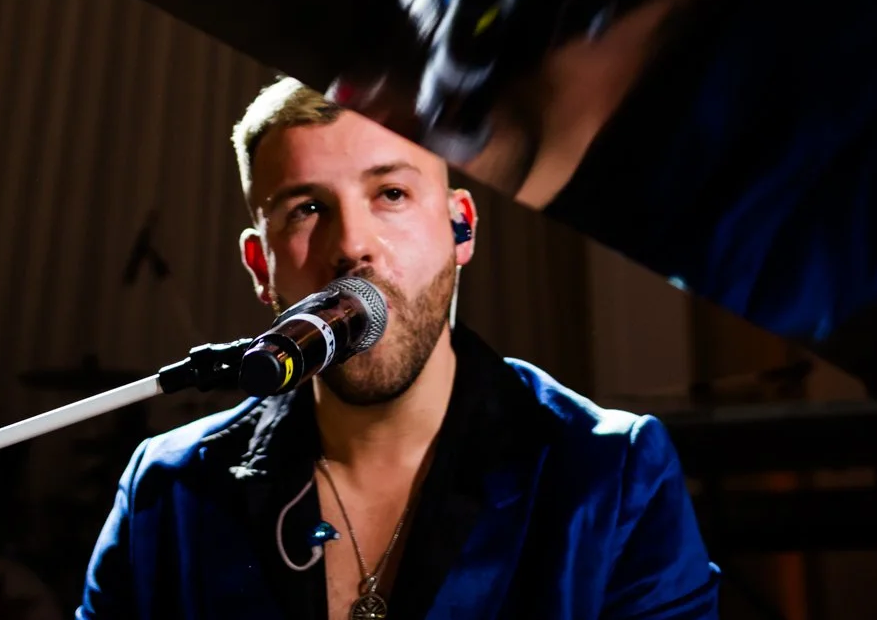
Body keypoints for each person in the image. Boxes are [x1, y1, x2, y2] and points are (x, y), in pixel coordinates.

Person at [76, 76, 720, 620]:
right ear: (261, 266)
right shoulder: (167, 492)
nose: (352, 245)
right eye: (306, 208)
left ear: (460, 226)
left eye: (391, 193)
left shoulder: (612, 472)